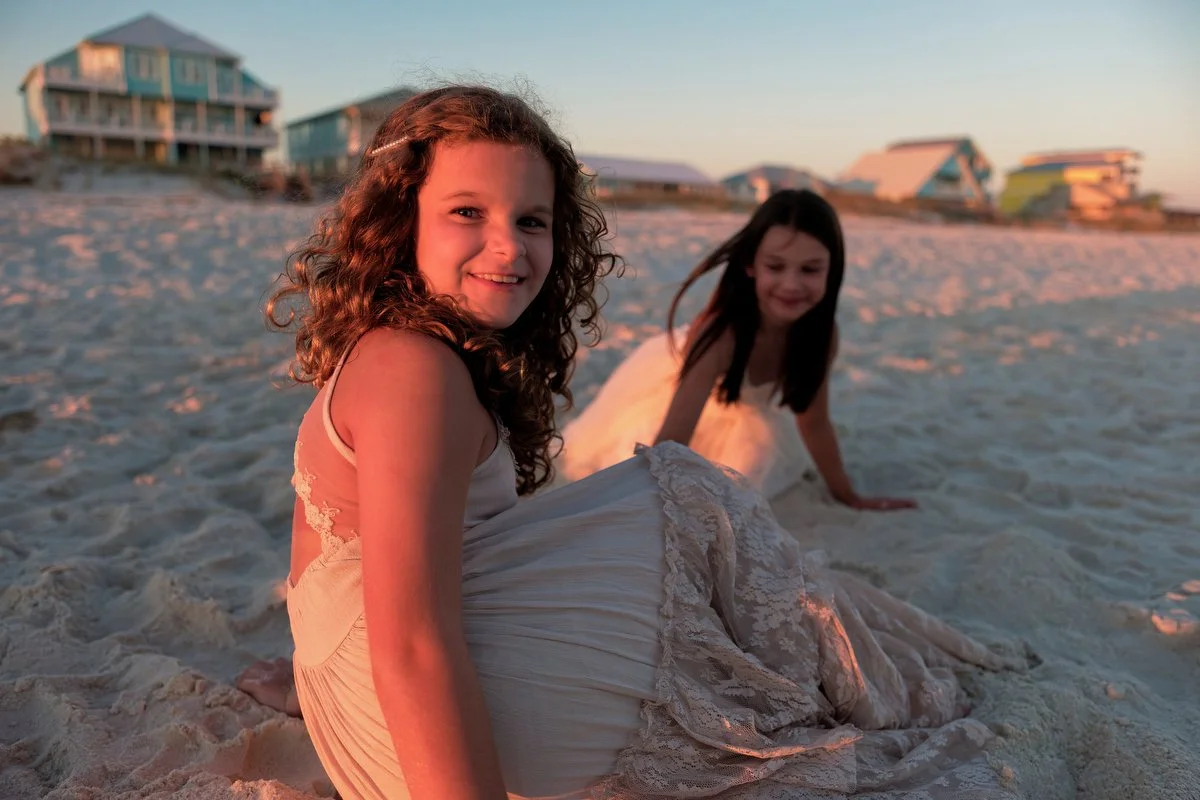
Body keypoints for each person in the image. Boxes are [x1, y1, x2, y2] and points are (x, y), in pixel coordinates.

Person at [236, 85, 1022, 800]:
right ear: (401, 218)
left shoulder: (404, 349)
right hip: (412, 720)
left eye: (531, 220)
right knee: (694, 490)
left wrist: (314, 679)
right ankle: (869, 670)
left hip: (361, 697)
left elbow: (375, 573)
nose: (508, 248)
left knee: (707, 530)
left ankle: (841, 653)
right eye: (467, 212)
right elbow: (409, 642)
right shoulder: (415, 371)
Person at [558, 190, 916, 509]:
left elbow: (815, 422)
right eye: (775, 267)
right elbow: (670, 441)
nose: (791, 284)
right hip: (678, 405)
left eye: (810, 269)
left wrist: (848, 495)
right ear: (750, 265)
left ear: (831, 271)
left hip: (749, 416)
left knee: (752, 477)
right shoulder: (720, 335)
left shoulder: (822, 335)